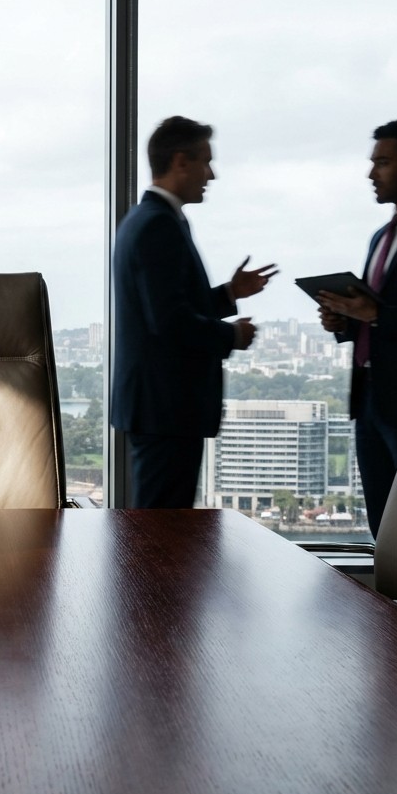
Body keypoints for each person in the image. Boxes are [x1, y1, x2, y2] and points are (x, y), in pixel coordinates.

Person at [111, 116, 277, 508]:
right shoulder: (158, 225)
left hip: (159, 408)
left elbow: (167, 305)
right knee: (163, 531)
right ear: (181, 161)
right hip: (165, 409)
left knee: (161, 527)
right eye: (206, 161)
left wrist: (230, 293)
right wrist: (232, 335)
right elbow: (170, 323)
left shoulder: (149, 219)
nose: (211, 175)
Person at [317, 121, 397, 538]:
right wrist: (344, 320)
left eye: (382, 163)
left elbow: (382, 314)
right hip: (369, 400)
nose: (371, 174)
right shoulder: (380, 237)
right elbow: (374, 314)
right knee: (383, 531)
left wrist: (376, 314)